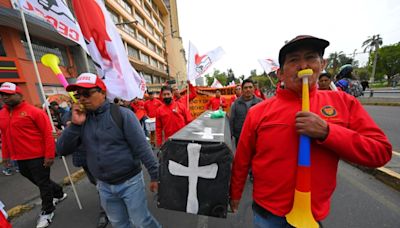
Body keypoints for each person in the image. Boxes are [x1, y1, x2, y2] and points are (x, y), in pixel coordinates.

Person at [229, 35, 392, 227]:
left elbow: (380, 152)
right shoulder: (258, 112)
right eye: (294, 60)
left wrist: (328, 132)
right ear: (280, 73)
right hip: (267, 214)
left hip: (312, 216)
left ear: (322, 64)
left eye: (310, 57)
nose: (302, 65)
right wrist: (235, 194)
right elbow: (242, 159)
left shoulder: (344, 103)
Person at [56, 73, 160, 228]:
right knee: (119, 223)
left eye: (87, 93)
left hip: (130, 181)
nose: (82, 99)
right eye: (79, 95)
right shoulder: (80, 119)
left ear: (103, 92)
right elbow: (62, 150)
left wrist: (155, 176)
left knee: (141, 221)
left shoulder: (123, 114)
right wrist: (75, 125)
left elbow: (142, 147)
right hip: (103, 185)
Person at [0, 82, 67, 228]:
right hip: (19, 157)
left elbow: (47, 135)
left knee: (42, 183)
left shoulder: (34, 111)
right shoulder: (2, 114)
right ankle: (59, 192)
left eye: (8, 94)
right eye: (2, 95)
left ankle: (48, 210)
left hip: (38, 156)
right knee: (38, 180)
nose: (5, 97)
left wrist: (49, 155)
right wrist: (5, 156)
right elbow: (4, 136)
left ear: (19, 95)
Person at [229, 79, 262, 147]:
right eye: (246, 88)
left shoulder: (261, 103)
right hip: (240, 137)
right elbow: (231, 120)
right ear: (242, 89)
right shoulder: (235, 104)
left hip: (256, 137)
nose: (248, 89)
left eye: (250, 87)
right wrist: (230, 136)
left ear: (254, 88)